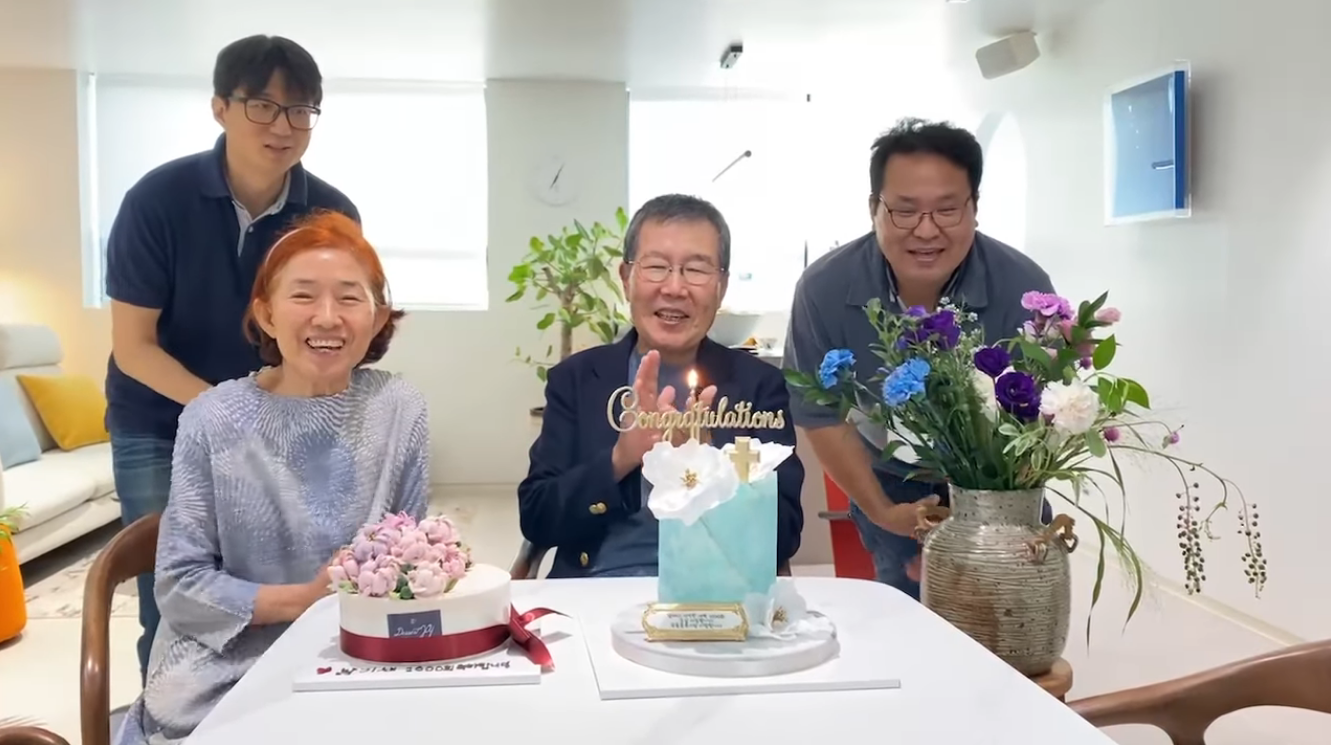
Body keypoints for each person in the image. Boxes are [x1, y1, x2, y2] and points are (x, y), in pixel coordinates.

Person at [114, 210, 428, 745]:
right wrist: (305, 600)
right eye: (303, 296)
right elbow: (180, 586)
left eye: (349, 298)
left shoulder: (398, 407)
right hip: (227, 668)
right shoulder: (213, 418)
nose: (327, 317)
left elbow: (408, 554)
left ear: (378, 318)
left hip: (358, 655)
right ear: (266, 314)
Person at [103, 34, 359, 681]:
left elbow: (332, 332)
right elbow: (133, 346)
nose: (283, 127)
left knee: (288, 579)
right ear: (220, 107)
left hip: (281, 422)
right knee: (176, 595)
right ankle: (171, 712)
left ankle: (274, 703)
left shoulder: (329, 213)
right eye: (262, 106)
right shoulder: (157, 201)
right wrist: (229, 413)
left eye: (300, 110)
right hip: (159, 424)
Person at [783, 117, 1055, 598]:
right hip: (891, 481)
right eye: (904, 211)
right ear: (874, 208)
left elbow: (1041, 417)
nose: (926, 230)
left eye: (947, 209)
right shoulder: (824, 288)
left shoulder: (1021, 285)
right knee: (908, 614)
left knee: (1011, 618)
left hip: (1002, 484)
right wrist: (883, 512)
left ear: (974, 208)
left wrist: (990, 515)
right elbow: (821, 415)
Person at [518, 194, 805, 578]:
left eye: (696, 270)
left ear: (721, 286)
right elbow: (537, 517)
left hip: (716, 595)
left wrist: (708, 468)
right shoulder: (577, 379)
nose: (674, 288)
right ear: (626, 279)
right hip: (597, 589)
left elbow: (785, 534)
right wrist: (619, 460)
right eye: (656, 267)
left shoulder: (758, 387)